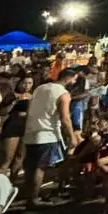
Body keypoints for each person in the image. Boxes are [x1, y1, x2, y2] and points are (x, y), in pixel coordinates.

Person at [21, 72, 76, 204]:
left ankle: (28, 195)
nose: (74, 82)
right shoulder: (63, 94)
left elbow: (29, 109)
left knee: (30, 166)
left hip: (31, 131)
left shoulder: (39, 88)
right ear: (68, 78)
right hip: (47, 134)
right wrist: (72, 136)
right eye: (74, 79)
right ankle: (34, 198)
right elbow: (65, 118)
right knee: (40, 167)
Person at [0, 75, 33, 178]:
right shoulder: (12, 95)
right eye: (24, 83)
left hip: (26, 127)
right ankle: (0, 181)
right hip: (12, 126)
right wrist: (15, 101)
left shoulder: (32, 96)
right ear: (19, 83)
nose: (27, 86)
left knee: (20, 156)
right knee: (7, 158)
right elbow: (2, 112)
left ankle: (12, 180)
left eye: (30, 83)